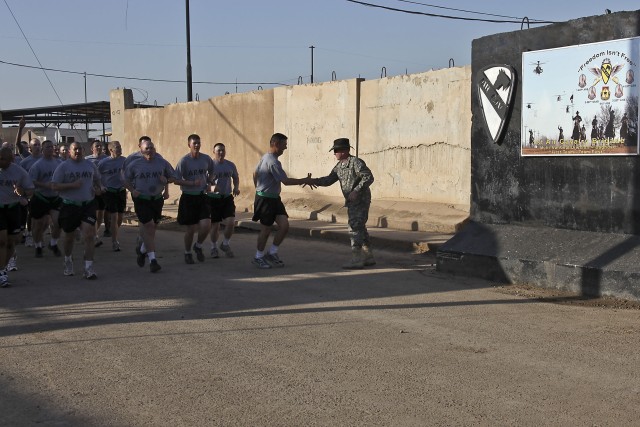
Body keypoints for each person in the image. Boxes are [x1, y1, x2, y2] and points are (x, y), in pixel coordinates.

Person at [308, 138, 375, 269]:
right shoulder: (339, 167)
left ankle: (357, 259)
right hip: (351, 202)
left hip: (361, 200)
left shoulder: (356, 162)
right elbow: (328, 180)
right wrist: (311, 181)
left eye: (337, 150)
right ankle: (368, 256)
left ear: (345, 151)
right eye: (334, 151)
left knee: (354, 227)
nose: (335, 153)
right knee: (359, 226)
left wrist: (356, 190)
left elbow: (368, 177)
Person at [251, 133, 314, 269]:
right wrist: (305, 180)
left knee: (284, 226)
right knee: (266, 229)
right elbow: (285, 181)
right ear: (276, 144)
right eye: (284, 145)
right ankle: (258, 257)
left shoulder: (267, 157)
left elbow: (255, 173)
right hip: (265, 200)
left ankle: (272, 253)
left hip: (274, 199)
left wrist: (258, 186)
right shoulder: (272, 161)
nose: (285, 148)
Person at [51, 142, 102, 279]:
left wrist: (99, 189)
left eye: (80, 149)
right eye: (75, 149)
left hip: (88, 205)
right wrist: (72, 185)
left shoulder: (90, 165)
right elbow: (54, 186)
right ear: (69, 152)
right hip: (69, 206)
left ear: (84, 150)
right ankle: (68, 260)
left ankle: (88, 267)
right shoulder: (63, 167)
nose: (78, 151)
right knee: (69, 237)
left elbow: (98, 180)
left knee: (89, 235)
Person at [124, 138, 176, 273]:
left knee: (152, 229)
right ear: (141, 149)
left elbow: (173, 176)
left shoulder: (162, 162)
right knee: (149, 226)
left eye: (152, 148)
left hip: (157, 199)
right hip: (142, 199)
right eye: (147, 148)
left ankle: (142, 251)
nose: (150, 151)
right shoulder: (134, 164)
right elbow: (125, 179)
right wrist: (132, 190)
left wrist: (167, 180)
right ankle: (153, 260)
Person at [174, 134, 215, 264]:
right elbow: (175, 179)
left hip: (202, 196)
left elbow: (212, 172)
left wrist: (209, 182)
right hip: (188, 198)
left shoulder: (206, 159)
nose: (197, 145)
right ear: (189, 145)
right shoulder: (184, 161)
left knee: (206, 225)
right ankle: (187, 252)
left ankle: (198, 246)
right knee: (191, 229)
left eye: (198, 143)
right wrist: (191, 183)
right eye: (194, 143)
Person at [0, 146, 34, 287]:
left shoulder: (19, 171)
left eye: (3, 159)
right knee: (1, 241)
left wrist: (22, 193)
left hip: (14, 209)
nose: (0, 161)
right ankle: (1, 273)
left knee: (12, 242)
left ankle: (3, 267)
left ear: (11, 159)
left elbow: (31, 190)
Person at [28, 140, 63, 257]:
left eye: (51, 147)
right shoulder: (37, 165)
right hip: (41, 197)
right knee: (38, 225)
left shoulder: (59, 163)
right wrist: (45, 185)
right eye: (47, 147)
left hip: (55, 198)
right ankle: (38, 246)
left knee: (58, 223)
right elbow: (32, 181)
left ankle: (53, 243)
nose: (50, 149)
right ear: (43, 150)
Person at [208, 142, 240, 258]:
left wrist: (236, 187)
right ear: (214, 152)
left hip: (227, 198)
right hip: (213, 199)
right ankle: (213, 247)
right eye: (218, 150)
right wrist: (211, 186)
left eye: (223, 150)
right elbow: (205, 181)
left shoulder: (230, 165)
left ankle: (225, 244)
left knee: (231, 222)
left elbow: (236, 177)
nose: (221, 152)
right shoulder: (209, 166)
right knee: (215, 226)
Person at [97, 141, 126, 251]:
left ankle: (114, 232)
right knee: (113, 216)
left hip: (121, 191)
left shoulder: (124, 161)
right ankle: (115, 241)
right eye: (117, 147)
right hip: (109, 191)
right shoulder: (104, 163)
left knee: (120, 217)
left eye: (120, 147)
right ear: (111, 150)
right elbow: (96, 176)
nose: (120, 149)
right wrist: (101, 186)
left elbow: (129, 173)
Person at [85, 140, 108, 246]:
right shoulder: (87, 160)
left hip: (103, 190)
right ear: (92, 148)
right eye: (96, 146)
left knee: (100, 215)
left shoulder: (107, 159)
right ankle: (94, 235)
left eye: (100, 146)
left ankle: (96, 232)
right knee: (92, 214)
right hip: (91, 191)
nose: (99, 148)